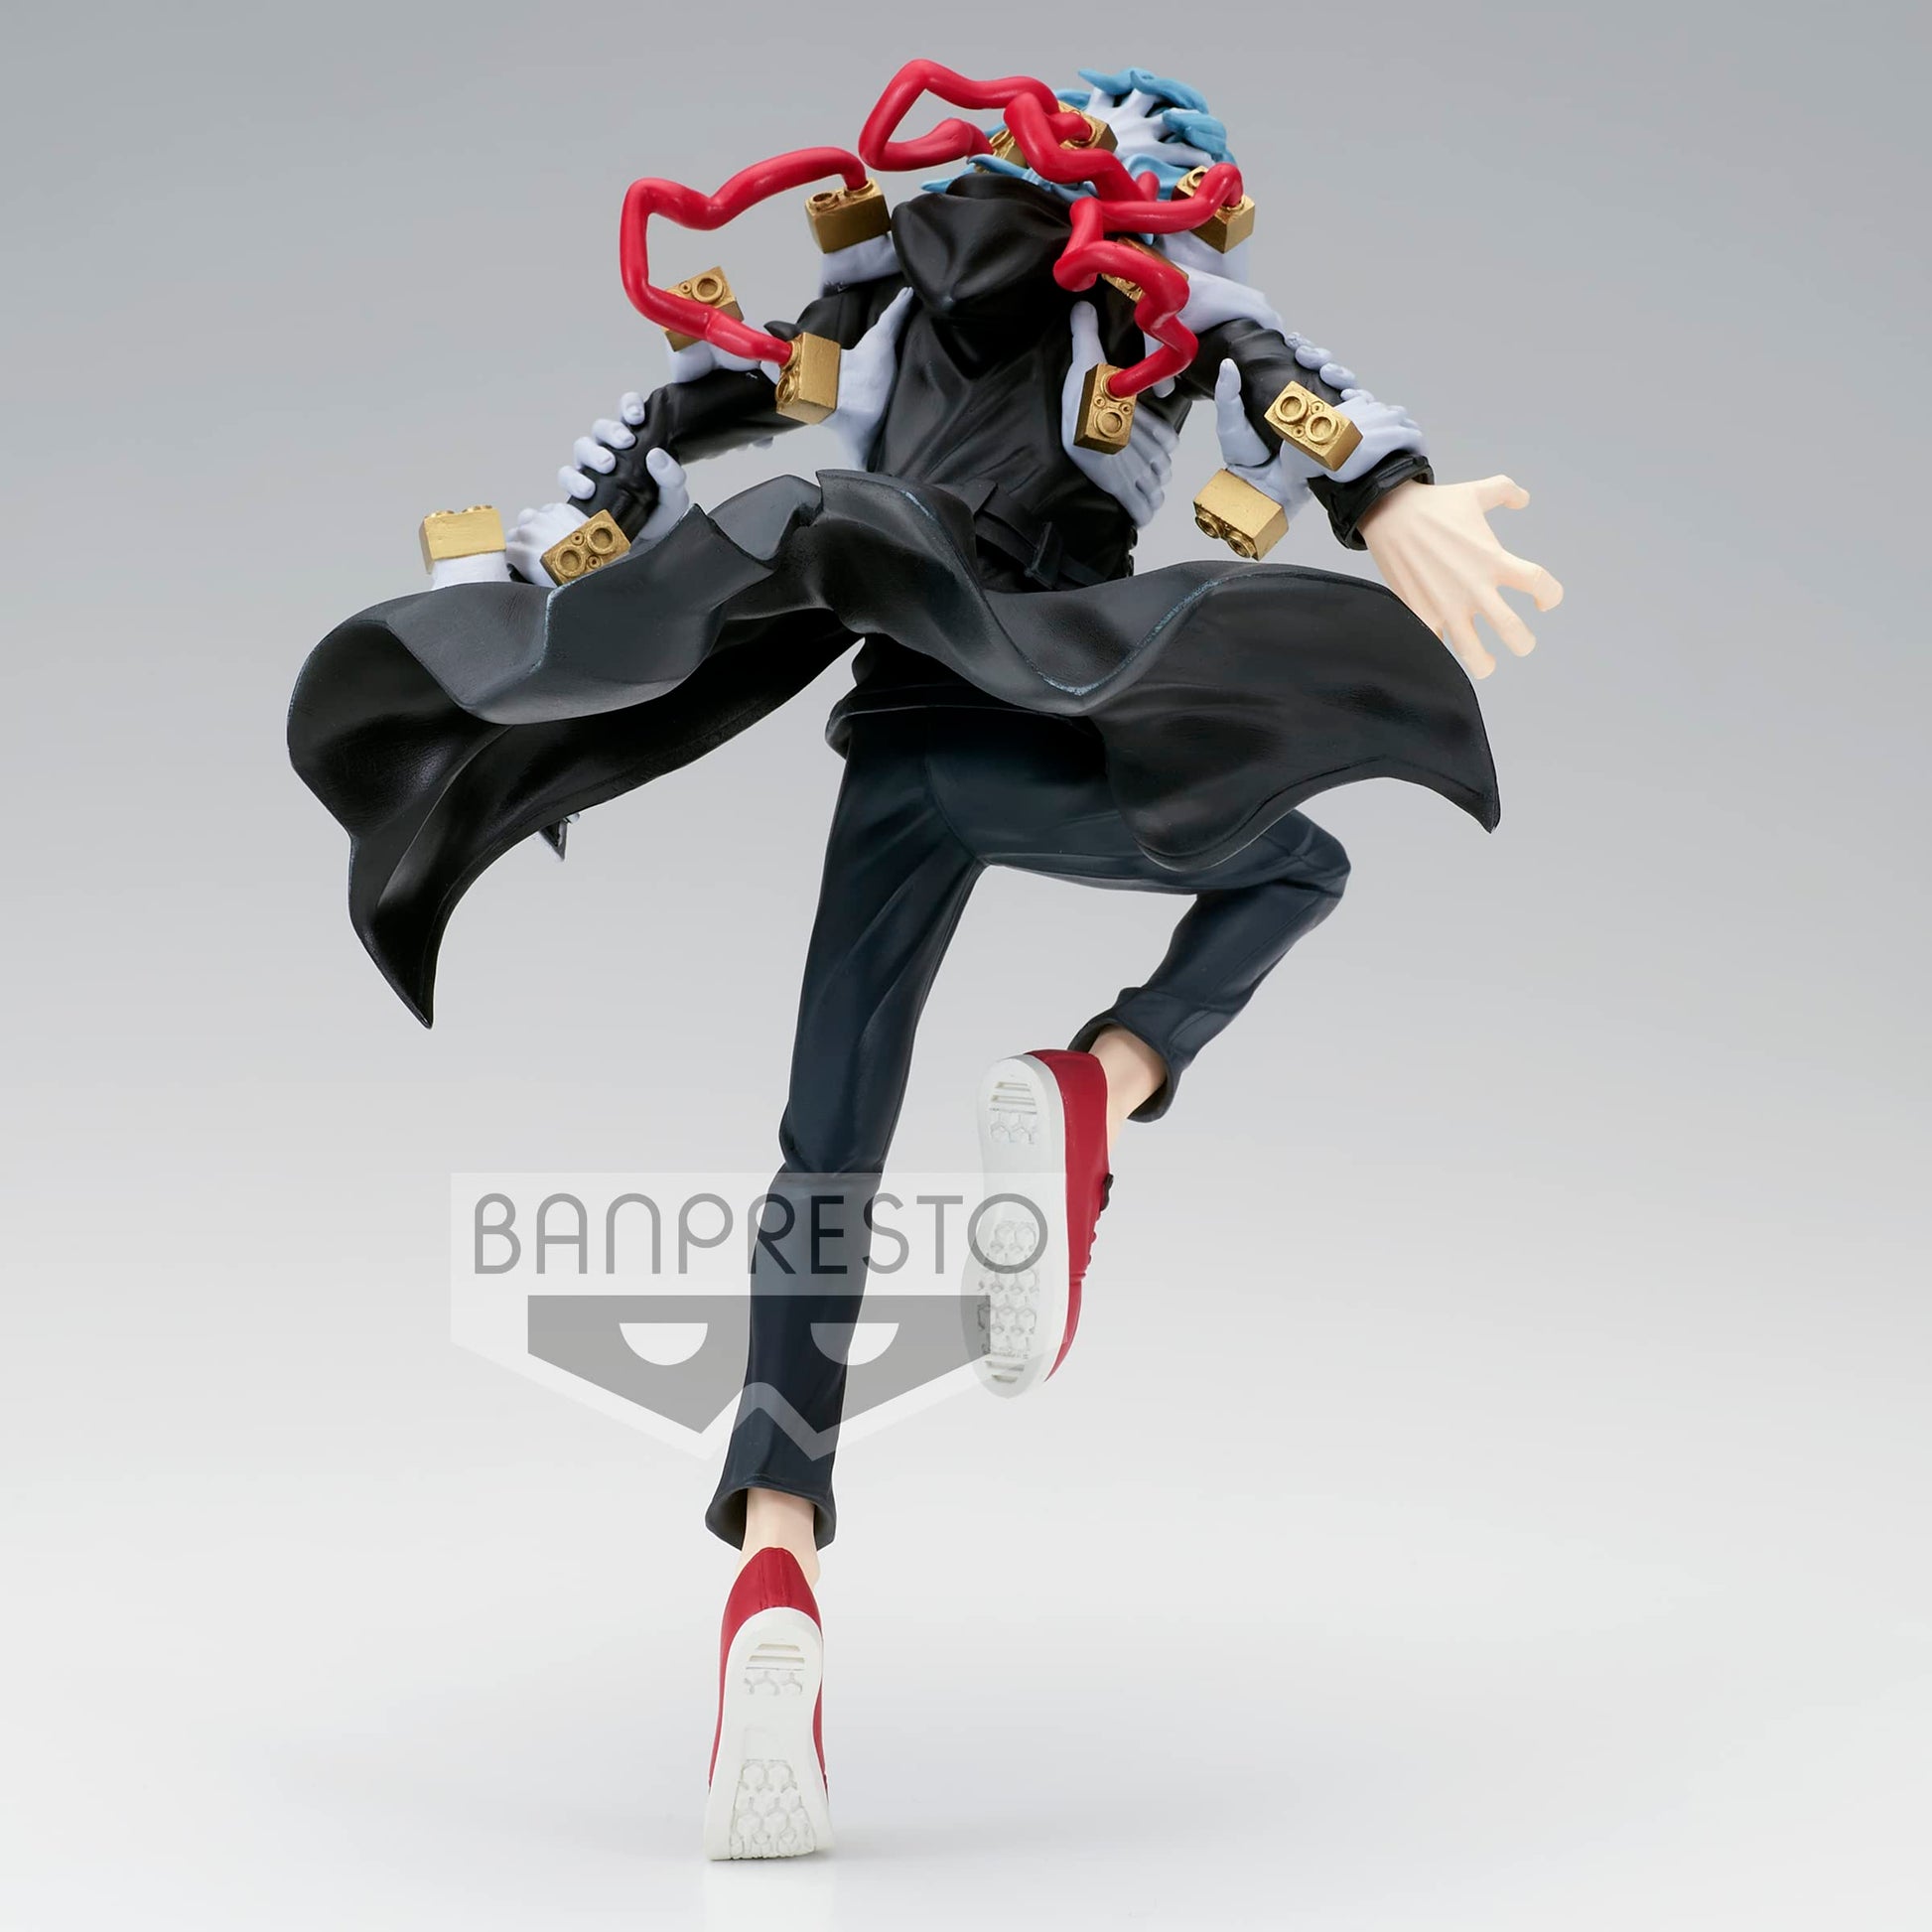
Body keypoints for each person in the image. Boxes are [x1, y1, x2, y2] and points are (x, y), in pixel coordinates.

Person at [288, 65, 1562, 1859]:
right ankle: (1100, 1080)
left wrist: (534, 565)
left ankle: (776, 1574)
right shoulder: (1144, 287)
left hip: (895, 741)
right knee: (1299, 864)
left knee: (825, 1157)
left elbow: (670, 416)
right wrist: (1396, 493)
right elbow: (1293, 390)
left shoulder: (873, 285)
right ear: (1165, 183)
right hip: (1044, 708)